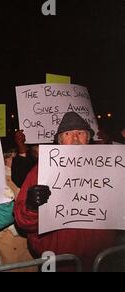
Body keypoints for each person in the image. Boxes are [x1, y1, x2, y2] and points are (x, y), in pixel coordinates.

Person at [14, 112, 117, 271]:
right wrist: (32, 207)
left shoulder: (107, 168)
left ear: (88, 139)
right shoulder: (41, 171)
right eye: (68, 134)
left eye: (81, 133)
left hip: (99, 259)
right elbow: (22, 220)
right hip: (60, 261)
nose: (75, 139)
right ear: (60, 141)